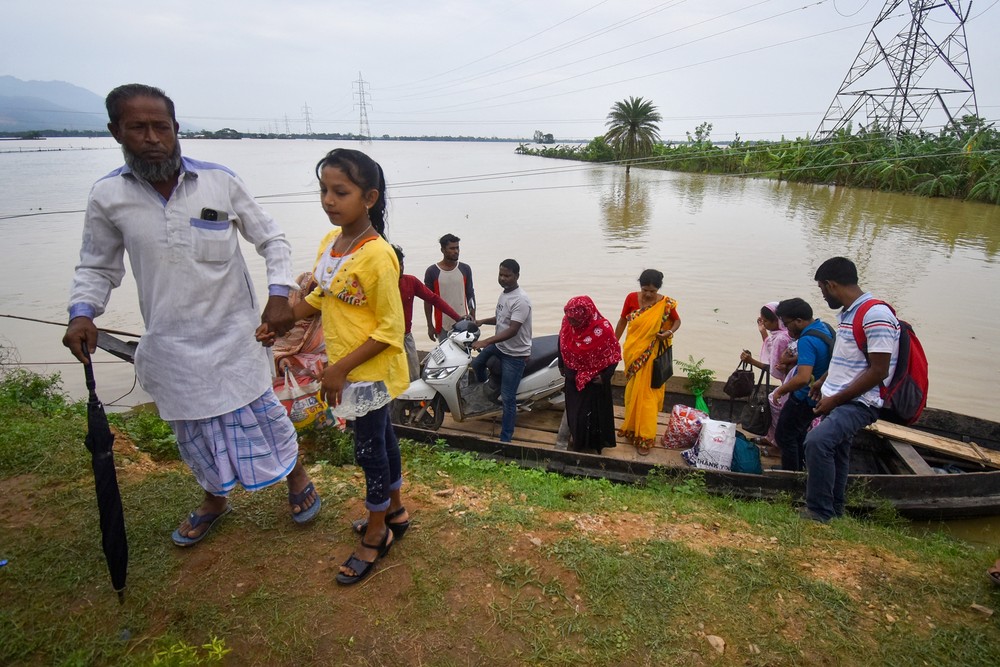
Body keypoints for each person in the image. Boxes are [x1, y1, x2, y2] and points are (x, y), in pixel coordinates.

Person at [62, 83, 320, 547]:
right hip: (172, 343)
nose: (152, 137)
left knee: (264, 417)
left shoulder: (219, 181)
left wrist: (279, 295)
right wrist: (83, 314)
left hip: (237, 335)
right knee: (194, 432)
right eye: (137, 127)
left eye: (161, 126)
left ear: (176, 129)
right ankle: (214, 500)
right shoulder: (108, 196)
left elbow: (272, 240)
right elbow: (97, 265)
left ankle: (297, 479)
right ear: (115, 131)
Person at [258, 148, 410, 584]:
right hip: (345, 366)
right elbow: (321, 296)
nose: (328, 199)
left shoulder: (378, 255)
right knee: (382, 439)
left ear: (370, 197)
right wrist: (283, 319)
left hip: (369, 371)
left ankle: (377, 532)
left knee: (369, 450)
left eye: (340, 192)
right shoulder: (332, 243)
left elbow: (389, 330)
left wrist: (339, 369)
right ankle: (395, 511)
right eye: (323, 189)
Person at [802, 257, 900, 522]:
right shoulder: (849, 313)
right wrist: (823, 380)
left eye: (822, 289)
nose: (822, 296)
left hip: (861, 402)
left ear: (831, 284)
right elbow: (850, 359)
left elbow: (879, 370)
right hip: (840, 395)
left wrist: (835, 400)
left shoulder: (875, 315)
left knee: (817, 442)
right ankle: (834, 510)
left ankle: (818, 512)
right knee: (838, 451)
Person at [614, 269, 681, 455]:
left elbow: (677, 322)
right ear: (640, 287)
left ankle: (645, 437)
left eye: (652, 291)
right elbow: (622, 322)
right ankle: (631, 428)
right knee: (632, 392)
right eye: (645, 290)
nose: (649, 294)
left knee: (648, 397)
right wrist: (612, 343)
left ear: (658, 289)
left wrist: (669, 332)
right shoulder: (630, 299)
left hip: (653, 358)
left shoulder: (665, 303)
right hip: (634, 353)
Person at [471, 259, 532, 443]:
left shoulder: (521, 300)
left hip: (515, 354)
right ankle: (487, 397)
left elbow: (512, 329)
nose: (503, 279)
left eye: (507, 275)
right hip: (500, 346)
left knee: (508, 397)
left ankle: (506, 438)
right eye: (501, 275)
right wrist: (481, 321)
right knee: (477, 363)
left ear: (517, 276)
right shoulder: (504, 294)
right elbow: (501, 319)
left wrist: (486, 341)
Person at [769, 298, 834, 472]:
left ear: (799, 320)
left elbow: (803, 378)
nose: (786, 328)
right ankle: (801, 470)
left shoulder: (807, 340)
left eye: (787, 323)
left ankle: (790, 475)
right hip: (820, 396)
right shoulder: (825, 328)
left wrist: (780, 391)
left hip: (804, 398)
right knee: (799, 434)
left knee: (784, 437)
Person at [558, 296, 621, 454]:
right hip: (573, 379)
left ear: (585, 316)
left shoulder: (603, 329)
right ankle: (578, 441)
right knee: (575, 413)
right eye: (570, 320)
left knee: (591, 417)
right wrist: (561, 365)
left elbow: (614, 355)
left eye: (576, 321)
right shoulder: (567, 322)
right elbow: (561, 343)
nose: (572, 324)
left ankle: (592, 445)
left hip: (594, 383)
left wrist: (605, 377)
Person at [392, 244, 463, 381]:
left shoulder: (410, 281)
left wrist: (458, 318)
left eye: (402, 264)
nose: (400, 268)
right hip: (385, 339)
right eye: (396, 264)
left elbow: (433, 298)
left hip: (406, 336)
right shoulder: (378, 285)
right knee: (390, 378)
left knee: (413, 375)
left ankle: (414, 403)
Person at [740, 302, 794, 451]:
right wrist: (763, 331)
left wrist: (751, 361)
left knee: (775, 405)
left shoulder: (781, 339)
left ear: (777, 320)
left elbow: (774, 369)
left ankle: (777, 444)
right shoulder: (785, 334)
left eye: (765, 321)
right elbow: (771, 347)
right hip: (790, 380)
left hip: (792, 382)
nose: (762, 322)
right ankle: (772, 438)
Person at [424, 233, 475, 341]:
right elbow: (428, 301)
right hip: (443, 324)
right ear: (442, 250)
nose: (456, 251)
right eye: (452, 248)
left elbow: (470, 294)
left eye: (457, 248)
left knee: (465, 355)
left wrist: (473, 317)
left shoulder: (465, 269)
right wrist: (430, 325)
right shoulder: (432, 272)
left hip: (463, 322)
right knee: (446, 355)